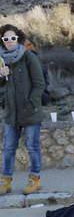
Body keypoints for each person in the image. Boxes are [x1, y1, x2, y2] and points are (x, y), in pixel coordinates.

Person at [1, 24, 45, 195]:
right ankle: (5, 181)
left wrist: (31, 103)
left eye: (13, 38)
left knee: (32, 147)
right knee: (8, 148)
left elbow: (39, 84)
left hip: (30, 111)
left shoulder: (28, 57)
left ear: (18, 39)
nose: (9, 41)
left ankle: (35, 180)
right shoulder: (1, 60)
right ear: (2, 41)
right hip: (11, 113)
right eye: (6, 38)